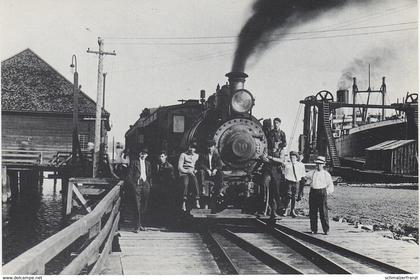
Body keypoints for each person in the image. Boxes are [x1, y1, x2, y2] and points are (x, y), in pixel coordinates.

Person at [306, 156, 334, 235]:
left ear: (323, 165)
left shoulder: (326, 174)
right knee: (313, 211)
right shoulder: (312, 173)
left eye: (320, 164)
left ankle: (326, 229)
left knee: (323, 211)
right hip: (313, 192)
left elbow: (330, 185)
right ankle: (314, 229)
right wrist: (307, 182)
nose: (318, 166)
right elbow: (303, 177)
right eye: (317, 164)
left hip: (322, 192)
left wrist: (327, 192)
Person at [127, 147, 152, 232]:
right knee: (137, 205)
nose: (144, 155)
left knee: (144, 205)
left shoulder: (148, 163)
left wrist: (149, 184)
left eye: (145, 154)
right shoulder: (134, 162)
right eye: (142, 153)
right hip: (137, 185)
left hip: (145, 184)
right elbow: (129, 176)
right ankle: (136, 226)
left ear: (147, 155)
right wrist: (134, 185)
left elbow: (150, 175)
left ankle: (141, 224)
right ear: (139, 154)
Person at [282, 151, 306, 217]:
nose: (292, 159)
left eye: (294, 157)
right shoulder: (287, 165)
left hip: (296, 182)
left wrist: (299, 181)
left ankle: (292, 210)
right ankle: (286, 210)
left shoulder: (300, 165)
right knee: (288, 196)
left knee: (294, 197)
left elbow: (303, 174)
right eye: (291, 157)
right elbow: (284, 173)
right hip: (289, 182)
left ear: (296, 158)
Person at [178, 142, 200, 211]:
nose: (191, 149)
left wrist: (195, 170)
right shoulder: (183, 155)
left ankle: (197, 200)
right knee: (185, 183)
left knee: (195, 182)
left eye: (193, 148)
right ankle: (183, 202)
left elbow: (198, 165)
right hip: (184, 173)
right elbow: (179, 167)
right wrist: (187, 171)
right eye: (190, 147)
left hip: (192, 173)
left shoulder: (197, 156)